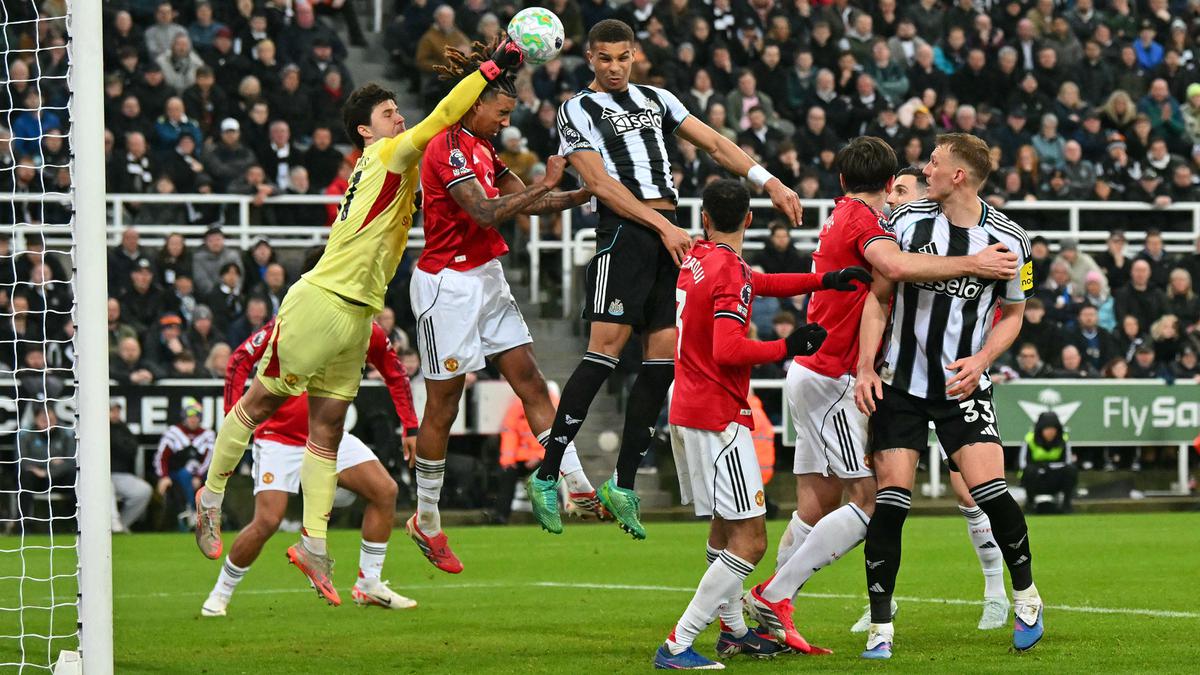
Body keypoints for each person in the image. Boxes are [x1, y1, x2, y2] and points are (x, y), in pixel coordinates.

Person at [193, 36, 526, 606]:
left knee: (326, 428)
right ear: (365, 133)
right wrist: (491, 67)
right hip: (322, 299)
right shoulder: (385, 154)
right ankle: (211, 495)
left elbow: (454, 135)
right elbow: (447, 114)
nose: (399, 117)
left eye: (398, 110)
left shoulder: (401, 163)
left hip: (358, 313)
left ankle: (315, 545)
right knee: (262, 402)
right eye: (387, 114)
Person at [529, 19, 804, 540]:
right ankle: (548, 474)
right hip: (624, 236)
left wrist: (769, 182)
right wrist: (662, 225)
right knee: (604, 353)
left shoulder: (657, 98)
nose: (614, 68)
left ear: (635, 56)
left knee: (662, 361)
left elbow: (717, 144)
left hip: (667, 236)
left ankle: (623, 482)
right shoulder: (576, 109)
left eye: (623, 57)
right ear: (589, 58)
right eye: (604, 58)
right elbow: (598, 184)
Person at [747, 145, 1020, 652]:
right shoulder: (867, 225)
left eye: (906, 193)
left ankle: (764, 618)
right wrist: (974, 261)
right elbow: (893, 268)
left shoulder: (847, 214)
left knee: (814, 504)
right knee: (874, 504)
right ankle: (773, 598)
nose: (898, 202)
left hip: (820, 374)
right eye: (894, 191)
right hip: (836, 377)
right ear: (886, 181)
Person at [406, 37, 598, 570]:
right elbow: (487, 211)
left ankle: (578, 485)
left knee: (532, 381)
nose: (504, 122)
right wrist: (548, 183)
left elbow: (538, 202)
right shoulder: (443, 146)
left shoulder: (486, 149)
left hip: (486, 277)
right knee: (443, 405)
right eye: (501, 111)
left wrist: (590, 193)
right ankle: (427, 518)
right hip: (446, 285)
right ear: (474, 103)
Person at [855, 133, 1044, 658]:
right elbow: (879, 297)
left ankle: (1026, 596)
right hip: (902, 385)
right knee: (891, 504)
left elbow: (1013, 316)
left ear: (958, 175)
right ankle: (880, 627)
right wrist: (866, 365)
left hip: (964, 384)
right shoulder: (906, 222)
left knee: (991, 492)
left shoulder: (1010, 240)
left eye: (934, 163)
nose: (925, 169)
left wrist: (983, 360)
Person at [655, 179, 849, 668]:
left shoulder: (700, 259)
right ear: (750, 219)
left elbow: (758, 282)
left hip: (689, 407)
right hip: (719, 414)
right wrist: (789, 347)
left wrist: (823, 281)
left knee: (724, 531)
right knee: (752, 539)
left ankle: (734, 631)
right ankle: (679, 641)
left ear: (705, 219)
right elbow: (728, 349)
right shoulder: (727, 271)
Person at [201, 316, 418, 616]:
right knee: (267, 520)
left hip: (328, 434)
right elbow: (240, 357)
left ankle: (369, 584)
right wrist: (233, 417)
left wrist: (411, 426)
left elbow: (395, 372)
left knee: (385, 491)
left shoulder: (367, 328)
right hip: (280, 438)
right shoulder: (299, 315)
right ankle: (220, 593)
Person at [154, 398, 215, 531]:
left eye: (196, 417)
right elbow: (161, 457)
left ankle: (209, 515)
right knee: (184, 474)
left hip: (200, 475)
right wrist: (163, 476)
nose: (193, 420)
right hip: (176, 474)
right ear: (184, 417)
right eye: (190, 416)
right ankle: (190, 511)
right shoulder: (174, 432)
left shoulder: (207, 434)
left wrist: (199, 476)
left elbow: (210, 459)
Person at [17, 407, 76, 532]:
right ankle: (23, 525)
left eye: (51, 419)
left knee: (74, 476)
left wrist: (47, 471)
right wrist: (50, 462)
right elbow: (21, 459)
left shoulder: (66, 433)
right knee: (24, 477)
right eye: (44, 419)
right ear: (36, 419)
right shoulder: (26, 433)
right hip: (37, 478)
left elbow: (71, 461)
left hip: (58, 477)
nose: (48, 422)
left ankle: (76, 522)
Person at [1018, 412, 1077, 513]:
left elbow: (1067, 462)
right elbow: (1023, 464)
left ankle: (1066, 505)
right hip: (1037, 478)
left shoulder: (1063, 440)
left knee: (1071, 470)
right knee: (1029, 471)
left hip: (1055, 478)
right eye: (1047, 429)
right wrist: (1040, 468)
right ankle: (1030, 504)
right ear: (1040, 429)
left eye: (1053, 429)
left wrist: (1049, 467)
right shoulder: (1029, 440)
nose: (1050, 432)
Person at [110, 400, 152, 533]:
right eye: (112, 411)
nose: (115, 414)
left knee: (144, 490)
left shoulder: (123, 428)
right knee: (106, 486)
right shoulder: (95, 429)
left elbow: (132, 449)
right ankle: (113, 521)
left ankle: (121, 526)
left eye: (117, 411)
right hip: (97, 476)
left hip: (119, 474)